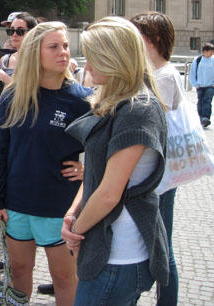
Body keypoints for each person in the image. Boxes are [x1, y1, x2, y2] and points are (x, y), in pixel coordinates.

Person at [63, 17, 168, 306]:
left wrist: (75, 231)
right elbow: (96, 175)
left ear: (115, 58)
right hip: (109, 249)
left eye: (94, 58)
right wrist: (72, 215)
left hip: (119, 254)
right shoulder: (121, 101)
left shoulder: (137, 109)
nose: (87, 66)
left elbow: (109, 193)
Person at [0, 22, 90, 305]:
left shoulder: (82, 100)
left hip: (59, 208)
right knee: (19, 272)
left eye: (65, 46)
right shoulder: (13, 95)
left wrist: (88, 169)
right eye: (54, 47)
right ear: (35, 52)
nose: (63, 52)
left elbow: (104, 151)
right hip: (17, 204)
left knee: (64, 280)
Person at [130, 12, 182, 306]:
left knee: (162, 246)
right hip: (156, 172)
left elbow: (146, 122)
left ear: (154, 39)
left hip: (159, 174)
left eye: (137, 35)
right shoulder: (155, 72)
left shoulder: (163, 76)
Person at [0, 12, 38, 86]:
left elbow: (32, 90)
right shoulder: (4, 60)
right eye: (11, 31)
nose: (14, 35)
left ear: (32, 33)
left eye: (20, 31)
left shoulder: (39, 60)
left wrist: (3, 77)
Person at [189, 42, 214, 127]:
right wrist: (195, 84)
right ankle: (200, 118)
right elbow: (192, 73)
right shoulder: (198, 60)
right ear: (205, 51)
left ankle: (206, 118)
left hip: (210, 86)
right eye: (210, 51)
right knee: (200, 101)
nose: (212, 53)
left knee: (207, 100)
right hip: (200, 85)